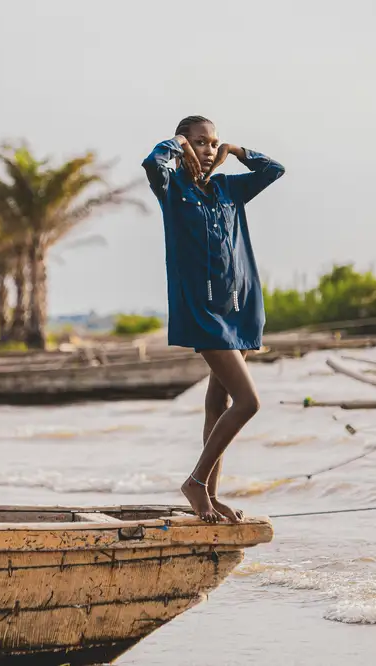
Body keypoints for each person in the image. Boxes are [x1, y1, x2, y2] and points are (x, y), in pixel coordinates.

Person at [142, 115, 285, 524]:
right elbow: (153, 163)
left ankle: (210, 493)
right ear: (185, 144)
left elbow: (274, 170)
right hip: (203, 311)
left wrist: (235, 151)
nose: (208, 150)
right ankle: (196, 482)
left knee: (218, 402)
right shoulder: (172, 188)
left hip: (240, 308)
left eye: (213, 143)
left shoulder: (228, 188)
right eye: (200, 142)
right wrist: (175, 144)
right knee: (249, 402)